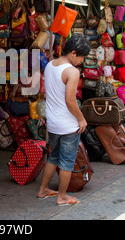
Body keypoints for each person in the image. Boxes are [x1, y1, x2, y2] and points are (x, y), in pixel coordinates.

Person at [36, 33, 90, 206]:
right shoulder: (72, 71)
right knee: (66, 161)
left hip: (53, 122)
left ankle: (43, 190)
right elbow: (70, 100)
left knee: (53, 157)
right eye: (82, 56)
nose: (82, 60)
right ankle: (62, 196)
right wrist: (81, 119)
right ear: (73, 53)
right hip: (67, 125)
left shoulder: (51, 64)